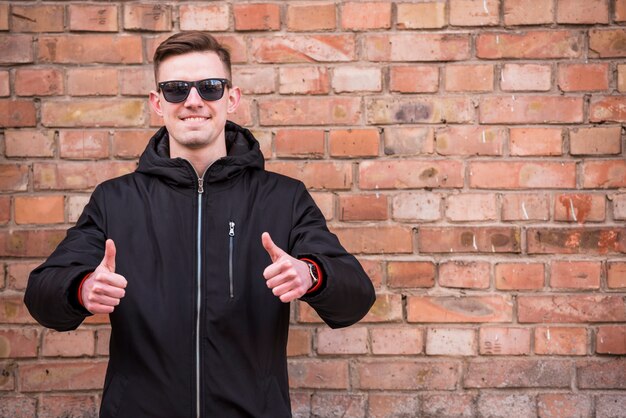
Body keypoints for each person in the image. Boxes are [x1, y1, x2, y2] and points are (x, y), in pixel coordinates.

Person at [24, 31, 376, 417]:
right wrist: (81, 288)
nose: (193, 101)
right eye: (176, 89)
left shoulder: (283, 198)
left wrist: (311, 274)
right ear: (158, 103)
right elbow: (42, 294)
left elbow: (356, 297)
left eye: (209, 87)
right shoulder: (116, 201)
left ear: (231, 97)